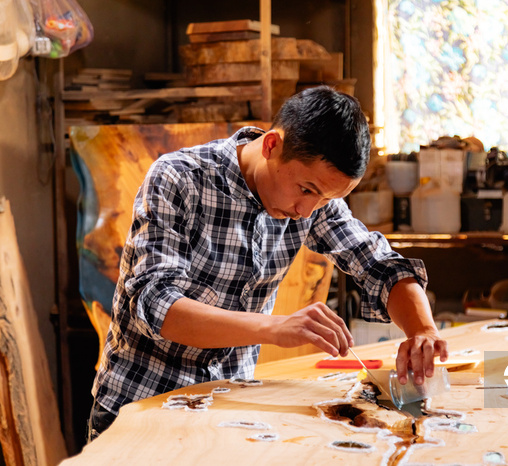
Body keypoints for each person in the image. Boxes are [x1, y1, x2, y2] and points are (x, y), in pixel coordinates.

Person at [87, 86, 447, 442]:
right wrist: (274, 328)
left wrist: (422, 331)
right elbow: (156, 306)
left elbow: (378, 264)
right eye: (306, 190)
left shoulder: (315, 201)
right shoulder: (179, 177)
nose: (306, 211)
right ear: (272, 145)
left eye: (327, 198)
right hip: (142, 409)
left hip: (229, 413)